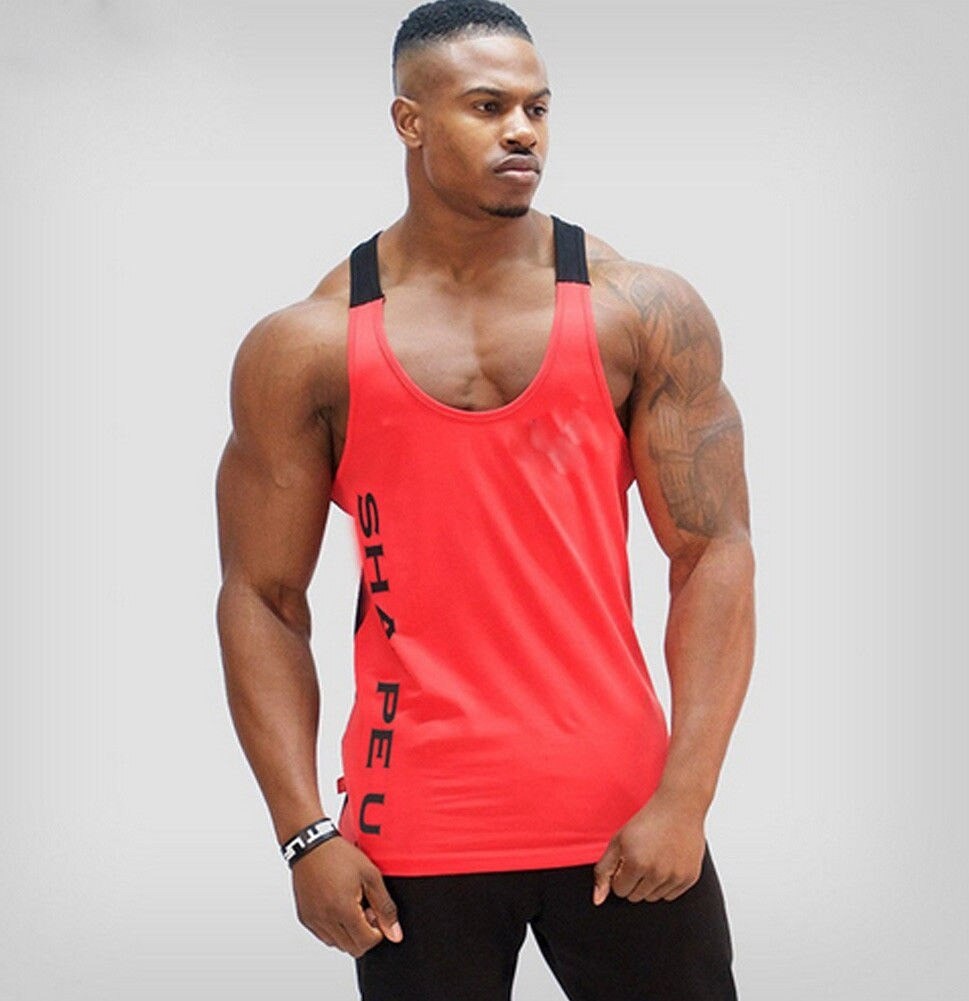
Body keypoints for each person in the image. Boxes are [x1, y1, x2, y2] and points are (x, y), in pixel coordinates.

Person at [214, 1, 755, 998]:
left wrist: (684, 796)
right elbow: (262, 597)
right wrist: (303, 834)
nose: (522, 131)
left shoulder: (638, 311)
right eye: (486, 105)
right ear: (408, 121)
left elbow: (712, 551)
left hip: (625, 822)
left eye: (537, 108)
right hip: (409, 833)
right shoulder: (308, 345)